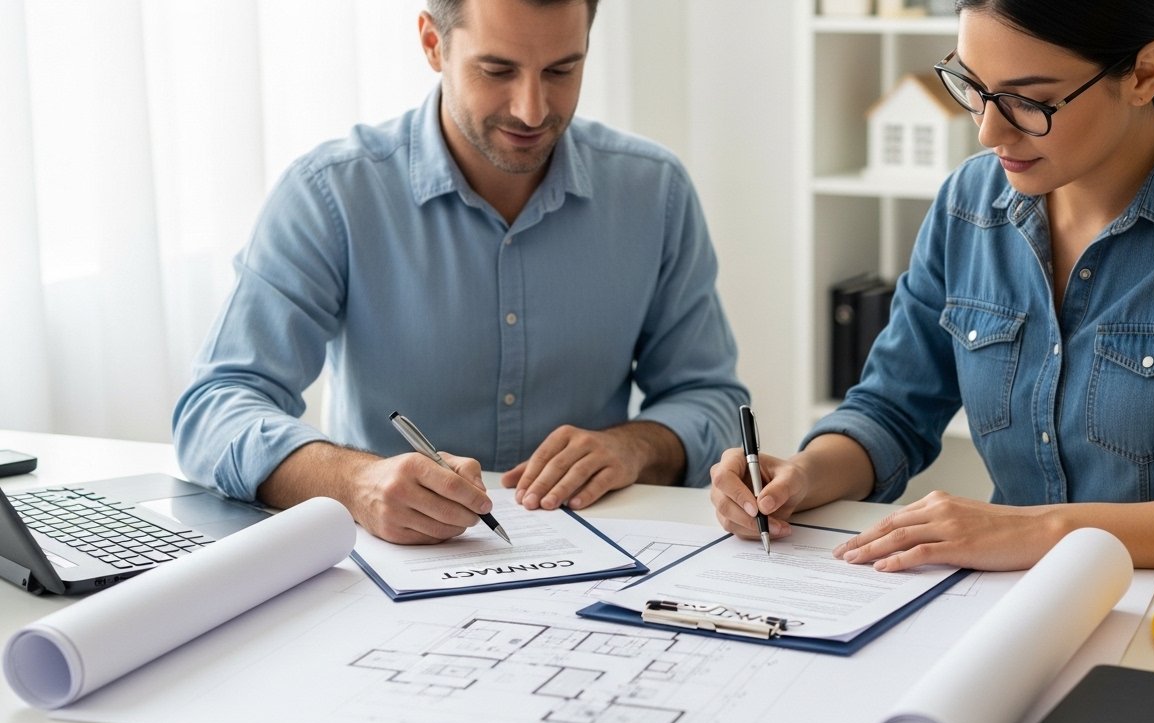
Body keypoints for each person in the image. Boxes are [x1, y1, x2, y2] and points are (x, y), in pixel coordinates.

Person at [711, 0, 1154, 572]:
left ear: (1144, 73)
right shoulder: (968, 203)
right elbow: (890, 411)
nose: (988, 129)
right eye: (972, 86)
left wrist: (1043, 532)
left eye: (1030, 101)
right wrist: (803, 474)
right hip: (1006, 607)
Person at [174, 0, 747, 545]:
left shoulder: (654, 192)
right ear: (432, 42)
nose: (532, 109)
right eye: (497, 70)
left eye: (561, 70)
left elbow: (710, 398)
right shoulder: (332, 193)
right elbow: (216, 407)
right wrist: (352, 483)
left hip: (601, 557)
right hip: (387, 569)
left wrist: (637, 447)